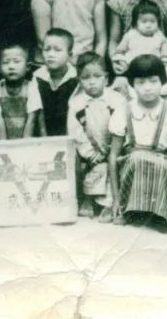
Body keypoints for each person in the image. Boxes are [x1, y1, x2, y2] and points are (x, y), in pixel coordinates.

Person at [107, 54, 167, 228]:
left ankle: (162, 213)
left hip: (161, 162)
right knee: (137, 159)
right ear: (132, 85)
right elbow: (113, 156)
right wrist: (115, 198)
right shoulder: (123, 111)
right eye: (141, 82)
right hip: (131, 162)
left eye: (153, 81)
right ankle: (128, 210)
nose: (148, 88)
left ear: (162, 82)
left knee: (161, 164)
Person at [67, 54, 125, 221]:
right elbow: (75, 132)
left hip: (113, 147)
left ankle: (108, 204)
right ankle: (89, 199)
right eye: (86, 77)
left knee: (111, 166)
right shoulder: (76, 103)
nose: (91, 82)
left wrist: (112, 150)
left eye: (97, 76)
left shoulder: (116, 100)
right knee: (95, 168)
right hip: (91, 151)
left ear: (106, 79)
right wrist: (90, 153)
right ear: (79, 80)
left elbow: (122, 127)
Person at [0, 44, 42, 140]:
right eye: (6, 62)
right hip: (2, 139)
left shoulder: (32, 87)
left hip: (27, 140)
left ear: (28, 67)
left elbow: (31, 120)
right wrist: (4, 145)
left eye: (16, 62)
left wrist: (23, 145)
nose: (11, 66)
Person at [35, 28, 79, 136]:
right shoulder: (36, 78)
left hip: (70, 134)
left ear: (70, 55)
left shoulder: (77, 79)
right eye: (47, 49)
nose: (51, 54)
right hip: (43, 135)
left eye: (57, 50)